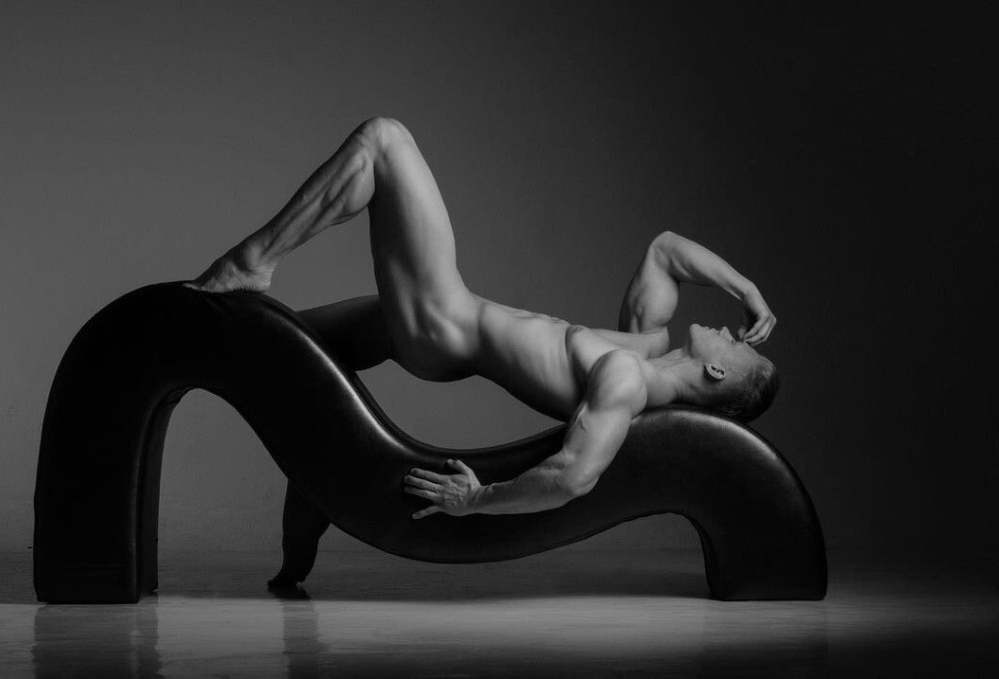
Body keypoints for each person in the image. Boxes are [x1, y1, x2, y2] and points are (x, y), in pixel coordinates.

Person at [187, 118, 778, 521]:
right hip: (432, 324)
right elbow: (667, 250)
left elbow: (573, 476)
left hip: (441, 322)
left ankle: (250, 262)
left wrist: (476, 499)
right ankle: (309, 511)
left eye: (738, 346)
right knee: (281, 347)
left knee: (384, 140)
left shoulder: (626, 381)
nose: (732, 331)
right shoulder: (647, 342)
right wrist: (747, 289)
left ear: (718, 375)